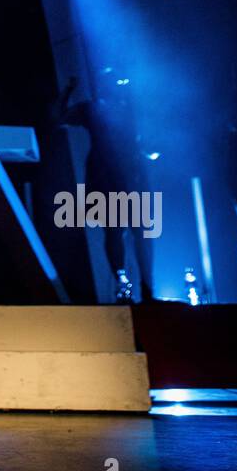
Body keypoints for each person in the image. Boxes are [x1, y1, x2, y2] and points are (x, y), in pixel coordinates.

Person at [52, 70, 155, 302]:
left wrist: (148, 152)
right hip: (106, 176)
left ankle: (147, 287)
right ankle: (124, 284)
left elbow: (142, 140)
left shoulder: (130, 109)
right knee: (116, 230)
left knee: (140, 230)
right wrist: (68, 90)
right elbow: (58, 117)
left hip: (129, 174)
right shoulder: (93, 108)